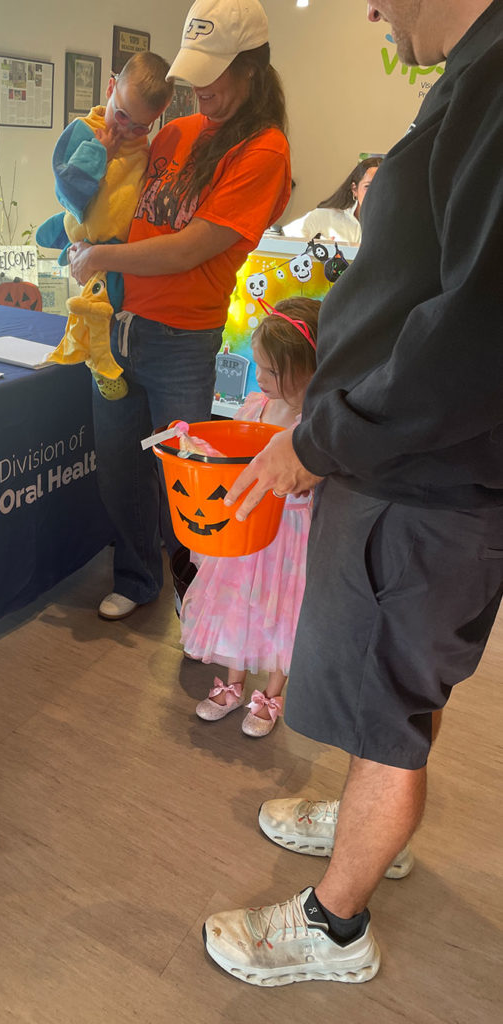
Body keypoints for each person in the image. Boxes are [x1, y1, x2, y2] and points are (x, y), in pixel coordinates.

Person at [202, 0, 503, 987]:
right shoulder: (470, 75)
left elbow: (471, 340)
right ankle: (370, 824)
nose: (369, 7)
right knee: (395, 689)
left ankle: (336, 923)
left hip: (426, 480)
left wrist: (323, 438)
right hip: (416, 470)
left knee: (390, 705)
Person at [68, 0, 292, 621]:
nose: (201, 90)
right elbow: (122, 197)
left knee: (188, 481)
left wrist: (104, 260)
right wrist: (105, 149)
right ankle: (139, 579)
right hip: (118, 330)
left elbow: (191, 249)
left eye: (215, 75)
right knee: (120, 471)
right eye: (194, 75)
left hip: (182, 342)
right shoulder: (178, 132)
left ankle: (203, 599)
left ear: (251, 69)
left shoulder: (264, 151)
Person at [181, 298, 320, 738]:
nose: (258, 377)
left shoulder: (315, 421)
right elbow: (233, 460)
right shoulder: (254, 405)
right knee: (239, 606)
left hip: (292, 536)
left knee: (283, 613)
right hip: (247, 533)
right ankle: (234, 684)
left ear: (306, 368)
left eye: (270, 370)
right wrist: (199, 448)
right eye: (257, 366)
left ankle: (273, 694)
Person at [35, 52, 174, 400]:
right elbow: (66, 190)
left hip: (121, 246)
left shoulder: (144, 146)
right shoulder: (86, 132)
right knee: (100, 306)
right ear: (111, 87)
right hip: (93, 236)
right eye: (122, 114)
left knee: (115, 304)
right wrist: (101, 155)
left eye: (140, 126)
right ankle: (99, 362)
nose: (125, 129)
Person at [281, 157, 383, 245]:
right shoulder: (327, 216)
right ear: (354, 189)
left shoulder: (395, 225)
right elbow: (287, 237)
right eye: (368, 186)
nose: (375, 192)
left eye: (383, 187)